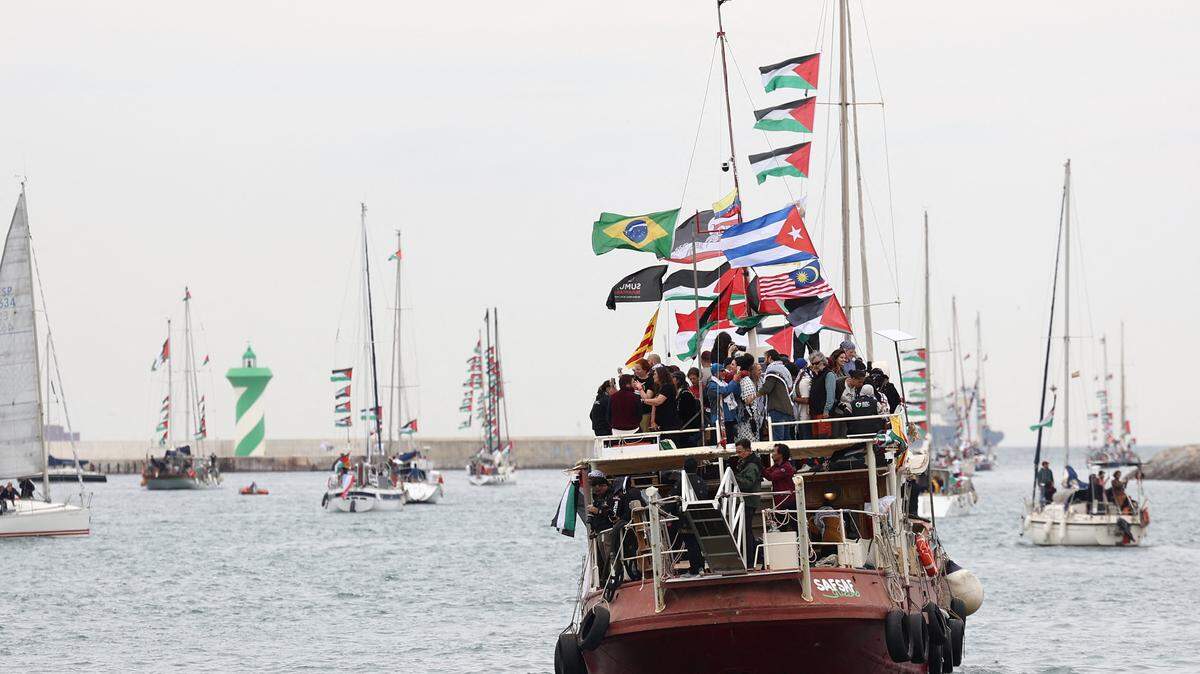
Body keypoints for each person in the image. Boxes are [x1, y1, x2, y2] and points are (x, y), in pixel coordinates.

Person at [732, 439, 763, 566]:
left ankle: (750, 559)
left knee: (746, 531)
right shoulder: (748, 463)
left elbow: (748, 483)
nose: (739, 454)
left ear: (748, 450)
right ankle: (751, 558)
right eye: (737, 452)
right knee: (746, 530)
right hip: (747, 501)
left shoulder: (751, 466)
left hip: (748, 501)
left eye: (740, 452)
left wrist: (735, 477)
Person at [760, 350, 796, 441]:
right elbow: (790, 387)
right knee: (787, 437)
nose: (764, 361)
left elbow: (767, 388)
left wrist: (754, 395)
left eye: (765, 358)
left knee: (778, 438)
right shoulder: (784, 369)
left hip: (776, 408)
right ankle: (788, 455)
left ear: (770, 358)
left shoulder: (772, 370)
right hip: (787, 407)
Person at [762, 444, 798, 531]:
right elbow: (767, 472)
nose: (772, 454)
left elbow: (771, 476)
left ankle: (802, 544)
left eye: (774, 451)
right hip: (781, 503)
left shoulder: (786, 467)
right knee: (782, 527)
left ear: (780, 454)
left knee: (795, 526)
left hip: (789, 502)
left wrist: (759, 466)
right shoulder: (776, 466)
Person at [706, 362, 742, 445]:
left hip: (729, 418)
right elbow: (724, 392)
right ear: (715, 373)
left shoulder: (724, 383)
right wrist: (734, 381)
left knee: (730, 442)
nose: (724, 372)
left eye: (724, 370)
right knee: (719, 442)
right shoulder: (712, 385)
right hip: (720, 419)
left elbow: (736, 393)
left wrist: (737, 382)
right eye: (721, 371)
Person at [806, 351, 838, 438]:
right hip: (814, 412)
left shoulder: (829, 374)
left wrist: (826, 410)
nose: (814, 365)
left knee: (824, 437)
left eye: (816, 363)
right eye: (812, 363)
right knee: (816, 439)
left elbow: (830, 395)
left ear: (823, 362)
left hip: (823, 413)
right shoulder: (815, 376)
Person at [642, 367, 681, 435]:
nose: (653, 376)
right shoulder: (660, 388)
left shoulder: (668, 387)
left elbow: (658, 401)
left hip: (669, 423)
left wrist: (642, 400)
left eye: (654, 374)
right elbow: (654, 404)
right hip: (660, 423)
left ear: (661, 375)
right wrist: (652, 421)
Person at [735, 354, 761, 442]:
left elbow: (748, 400)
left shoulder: (745, 381)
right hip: (745, 418)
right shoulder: (743, 380)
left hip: (748, 419)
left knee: (749, 442)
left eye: (733, 365)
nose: (731, 368)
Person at [675, 371, 701, 448]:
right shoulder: (680, 391)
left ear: (677, 380)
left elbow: (685, 411)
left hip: (687, 425)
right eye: (691, 379)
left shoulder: (685, 393)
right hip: (683, 425)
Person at [792, 357, 813, 440]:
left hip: (805, 417)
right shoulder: (805, 378)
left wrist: (793, 398)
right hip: (802, 417)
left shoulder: (804, 381)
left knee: (806, 440)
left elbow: (806, 400)